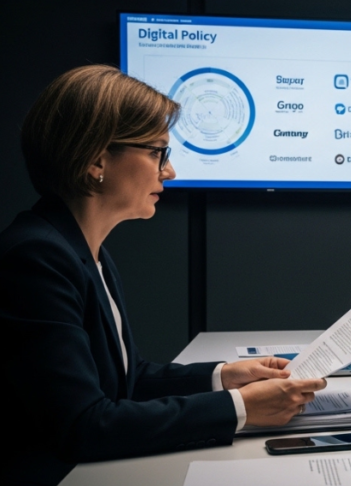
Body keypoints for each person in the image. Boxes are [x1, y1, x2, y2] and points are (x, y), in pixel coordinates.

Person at [0, 66, 327, 485]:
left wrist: (225, 376)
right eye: (158, 153)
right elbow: (83, 425)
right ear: (96, 158)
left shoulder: (81, 248)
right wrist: (240, 408)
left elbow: (125, 381)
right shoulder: (36, 257)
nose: (168, 172)